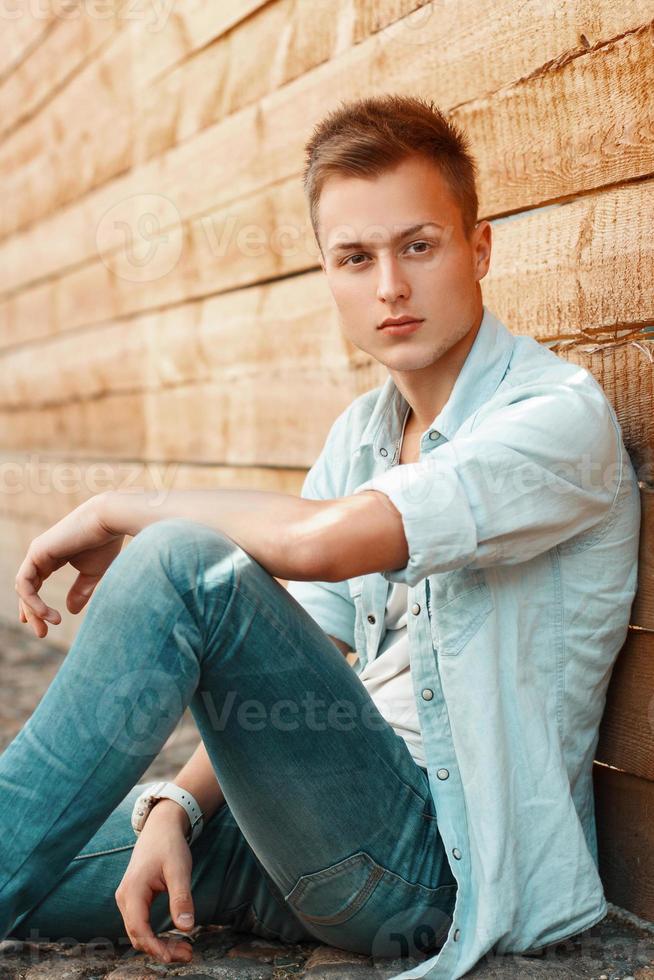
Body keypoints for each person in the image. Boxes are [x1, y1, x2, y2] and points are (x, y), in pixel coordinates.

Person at [2, 93, 640, 980]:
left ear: (479, 248)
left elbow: (326, 544)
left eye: (419, 245)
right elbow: (297, 661)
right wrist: (175, 812)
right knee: (30, 871)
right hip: (306, 838)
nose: (390, 286)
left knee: (180, 560)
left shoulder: (556, 420)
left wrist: (126, 505)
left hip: (433, 870)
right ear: (329, 274)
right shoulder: (362, 436)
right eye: (355, 258)